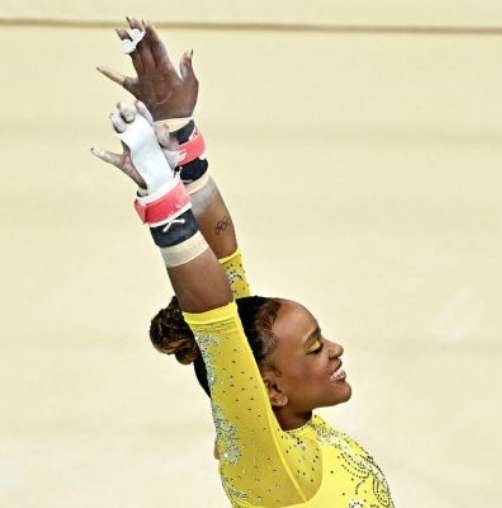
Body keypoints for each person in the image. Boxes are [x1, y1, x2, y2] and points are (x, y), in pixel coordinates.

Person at [91, 18, 394, 508]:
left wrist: (178, 132)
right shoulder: (266, 462)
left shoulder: (290, 426)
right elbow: (214, 318)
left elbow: (224, 256)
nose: (335, 349)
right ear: (270, 389)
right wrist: (160, 194)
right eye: (314, 348)